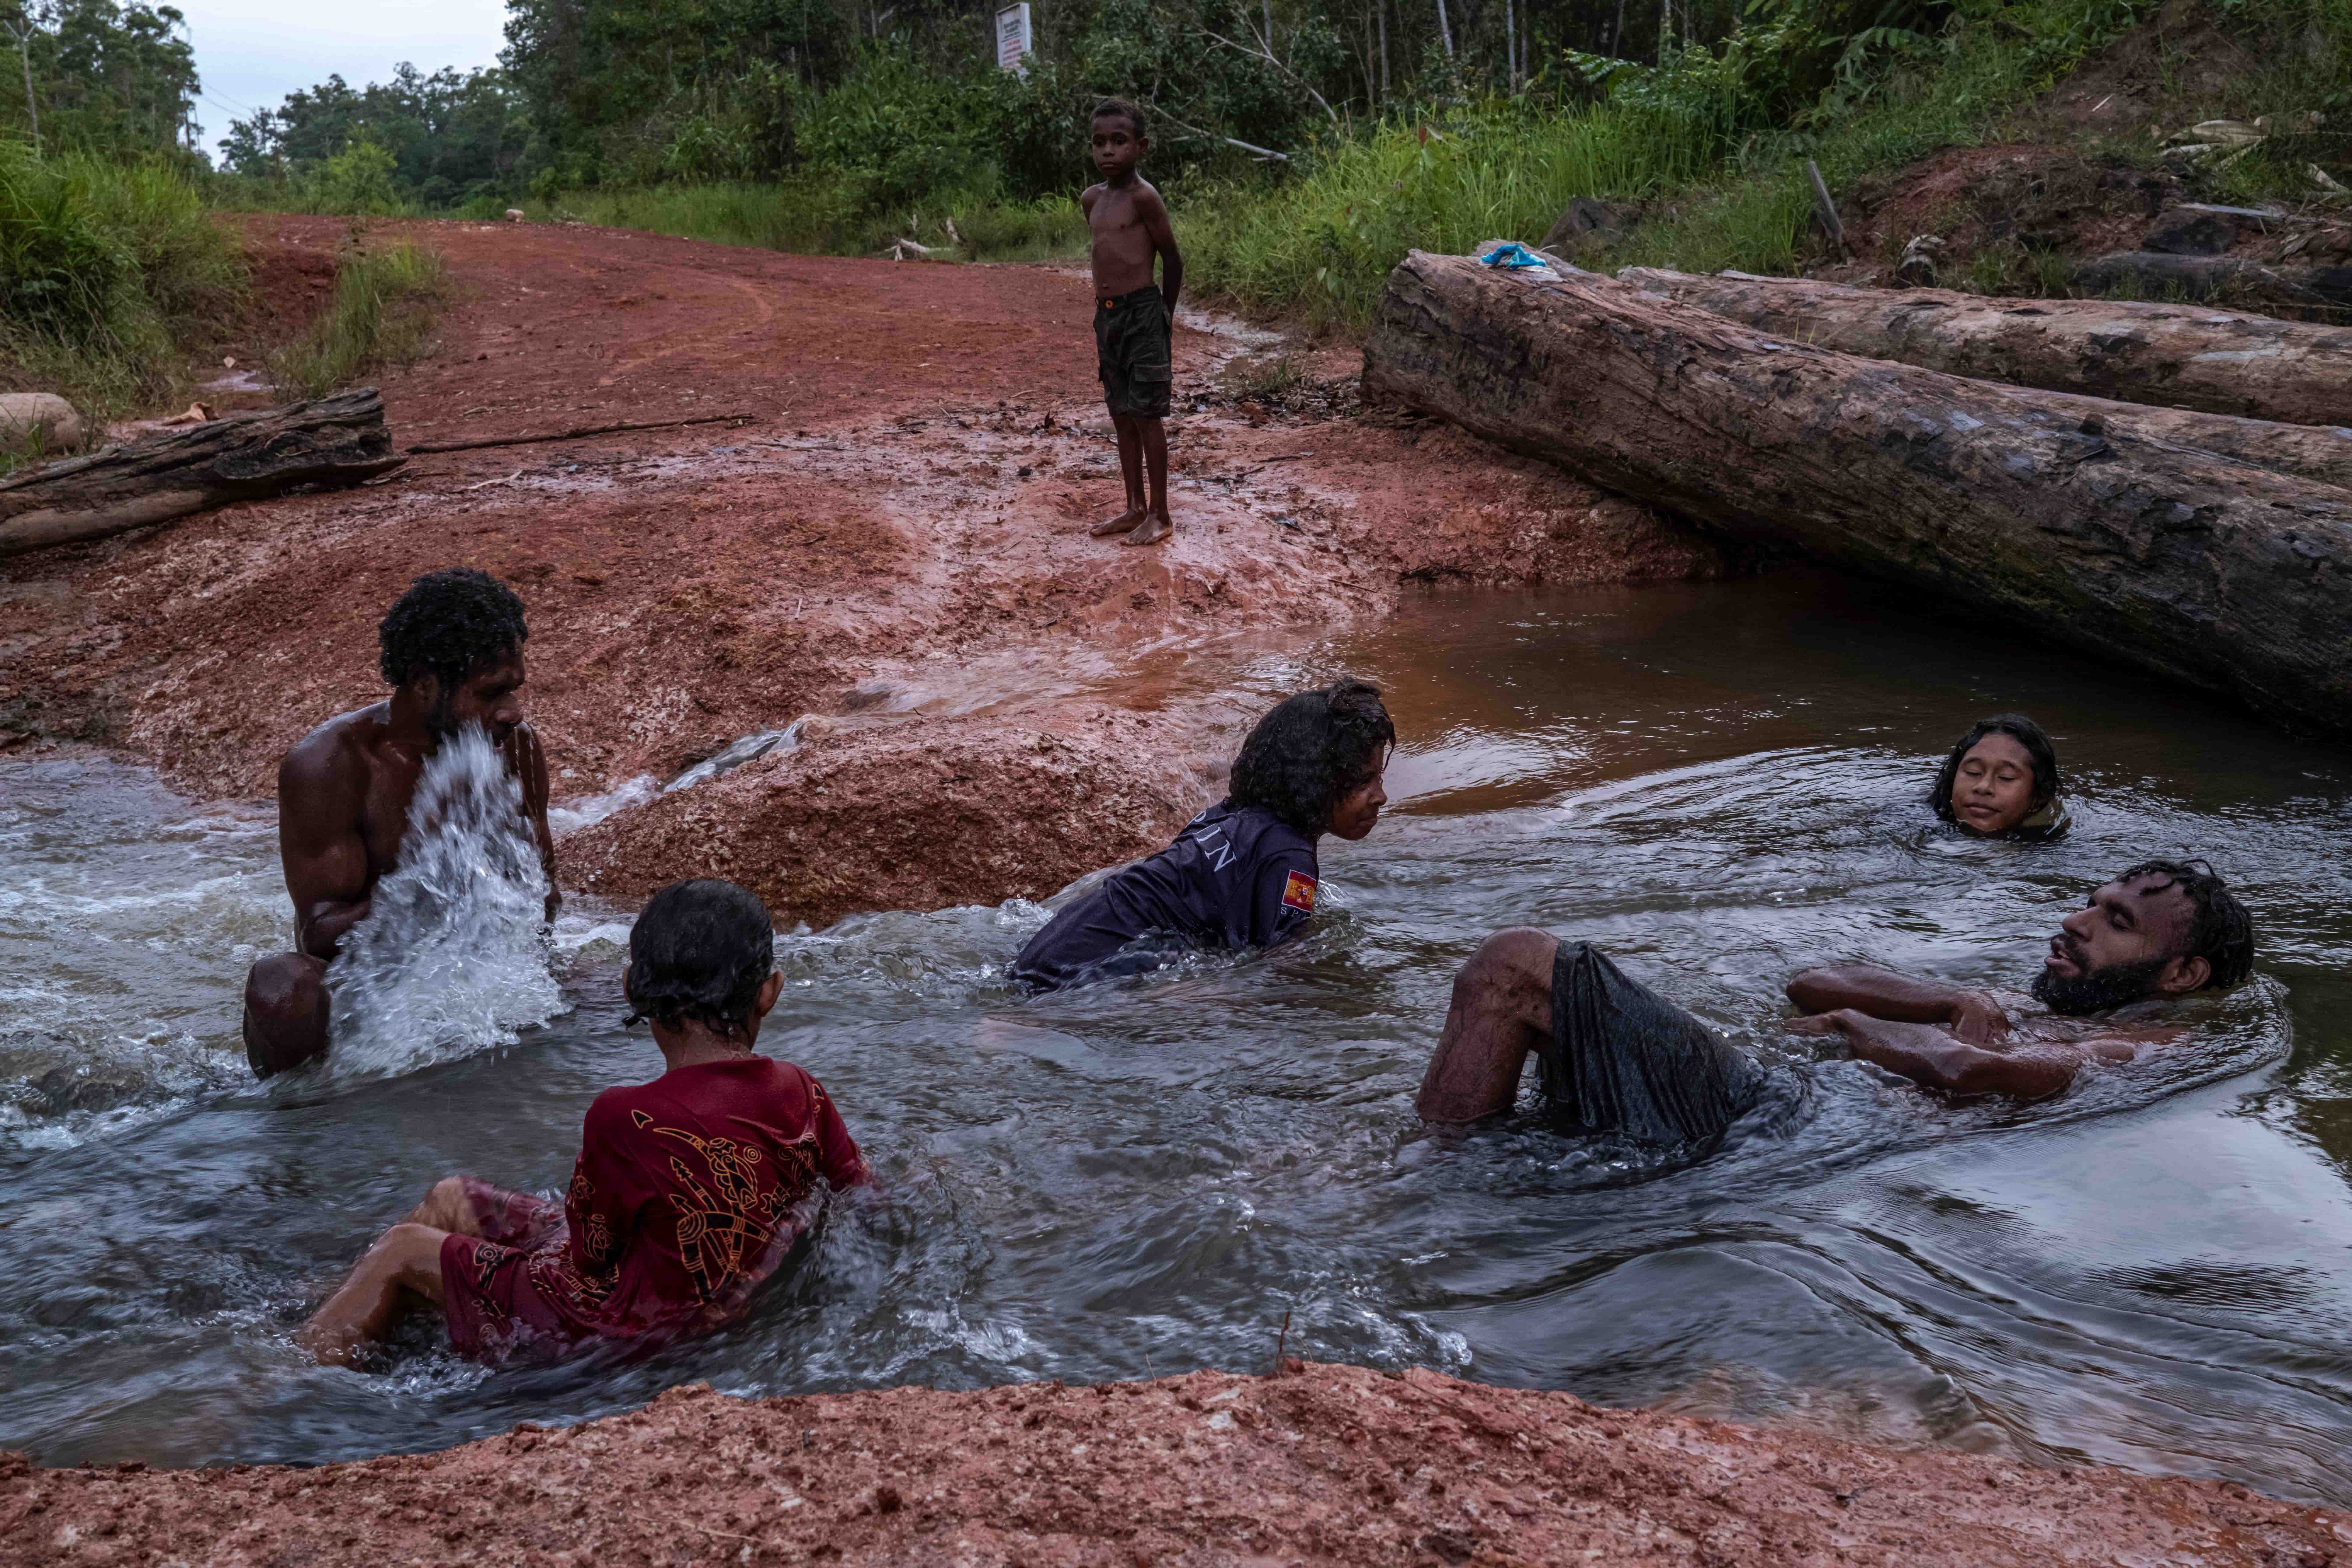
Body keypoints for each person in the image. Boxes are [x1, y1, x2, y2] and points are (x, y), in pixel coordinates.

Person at [299, 879, 871, 1368]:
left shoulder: (626, 1115)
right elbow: (857, 1191)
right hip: (710, 1303)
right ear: (769, 991)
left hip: (623, 1330)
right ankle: (343, 1298)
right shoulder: (802, 1089)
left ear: (630, 986)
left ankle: (293, 1375)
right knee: (454, 1198)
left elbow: (591, 1257)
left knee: (404, 1247)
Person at [1415, 859, 2254, 1141]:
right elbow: (1810, 981)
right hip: (1776, 1100)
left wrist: (1862, 1028)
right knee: (1514, 976)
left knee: (1518, 964)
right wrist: (1949, 997)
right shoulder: (2033, 1003)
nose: (2073, 923)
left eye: (2115, 922)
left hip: (1775, 1118)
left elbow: (1969, 1073)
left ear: (2183, 975)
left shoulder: (2157, 1047)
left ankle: (1432, 1184)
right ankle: (1452, 1170)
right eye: (2087, 902)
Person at [240, 569, 557, 1078]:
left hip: (480, 977)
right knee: (281, 987)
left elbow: (544, 901)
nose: (513, 713)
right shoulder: (333, 765)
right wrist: (436, 872)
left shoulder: (514, 749)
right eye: (491, 693)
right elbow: (319, 935)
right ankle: (307, 1125)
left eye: (515, 690)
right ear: (424, 682)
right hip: (369, 988)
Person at [1013, 678, 1393, 991]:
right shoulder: (1289, 858)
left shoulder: (1224, 818)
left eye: (1379, 777)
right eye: (1362, 781)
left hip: (1051, 950)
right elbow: (1282, 972)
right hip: (1084, 977)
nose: (1381, 796)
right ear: (1314, 781)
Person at [1079, 98, 1184, 549]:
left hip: (1143, 312)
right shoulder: (1092, 199)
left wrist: (1165, 315)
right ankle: (1134, 506)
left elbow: (1172, 258)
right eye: (1100, 143)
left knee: (1147, 415)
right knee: (1121, 414)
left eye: (1119, 142)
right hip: (1107, 318)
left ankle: (1161, 514)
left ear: (1141, 147)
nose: (1108, 151)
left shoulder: (1145, 197)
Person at [1931, 712, 2067, 840]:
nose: (1983, 787)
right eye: (1973, 772)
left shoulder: (2052, 848)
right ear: (1953, 778)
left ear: (2040, 797)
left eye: (2006, 777)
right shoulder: (1921, 828)